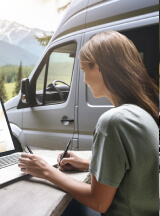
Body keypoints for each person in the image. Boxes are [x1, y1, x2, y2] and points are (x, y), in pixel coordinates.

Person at [18, 31, 159, 216]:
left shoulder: (113, 122)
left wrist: (45, 171)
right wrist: (88, 163)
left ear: (100, 68)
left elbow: (98, 202)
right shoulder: (143, 112)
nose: (84, 80)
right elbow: (135, 170)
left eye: (84, 70)